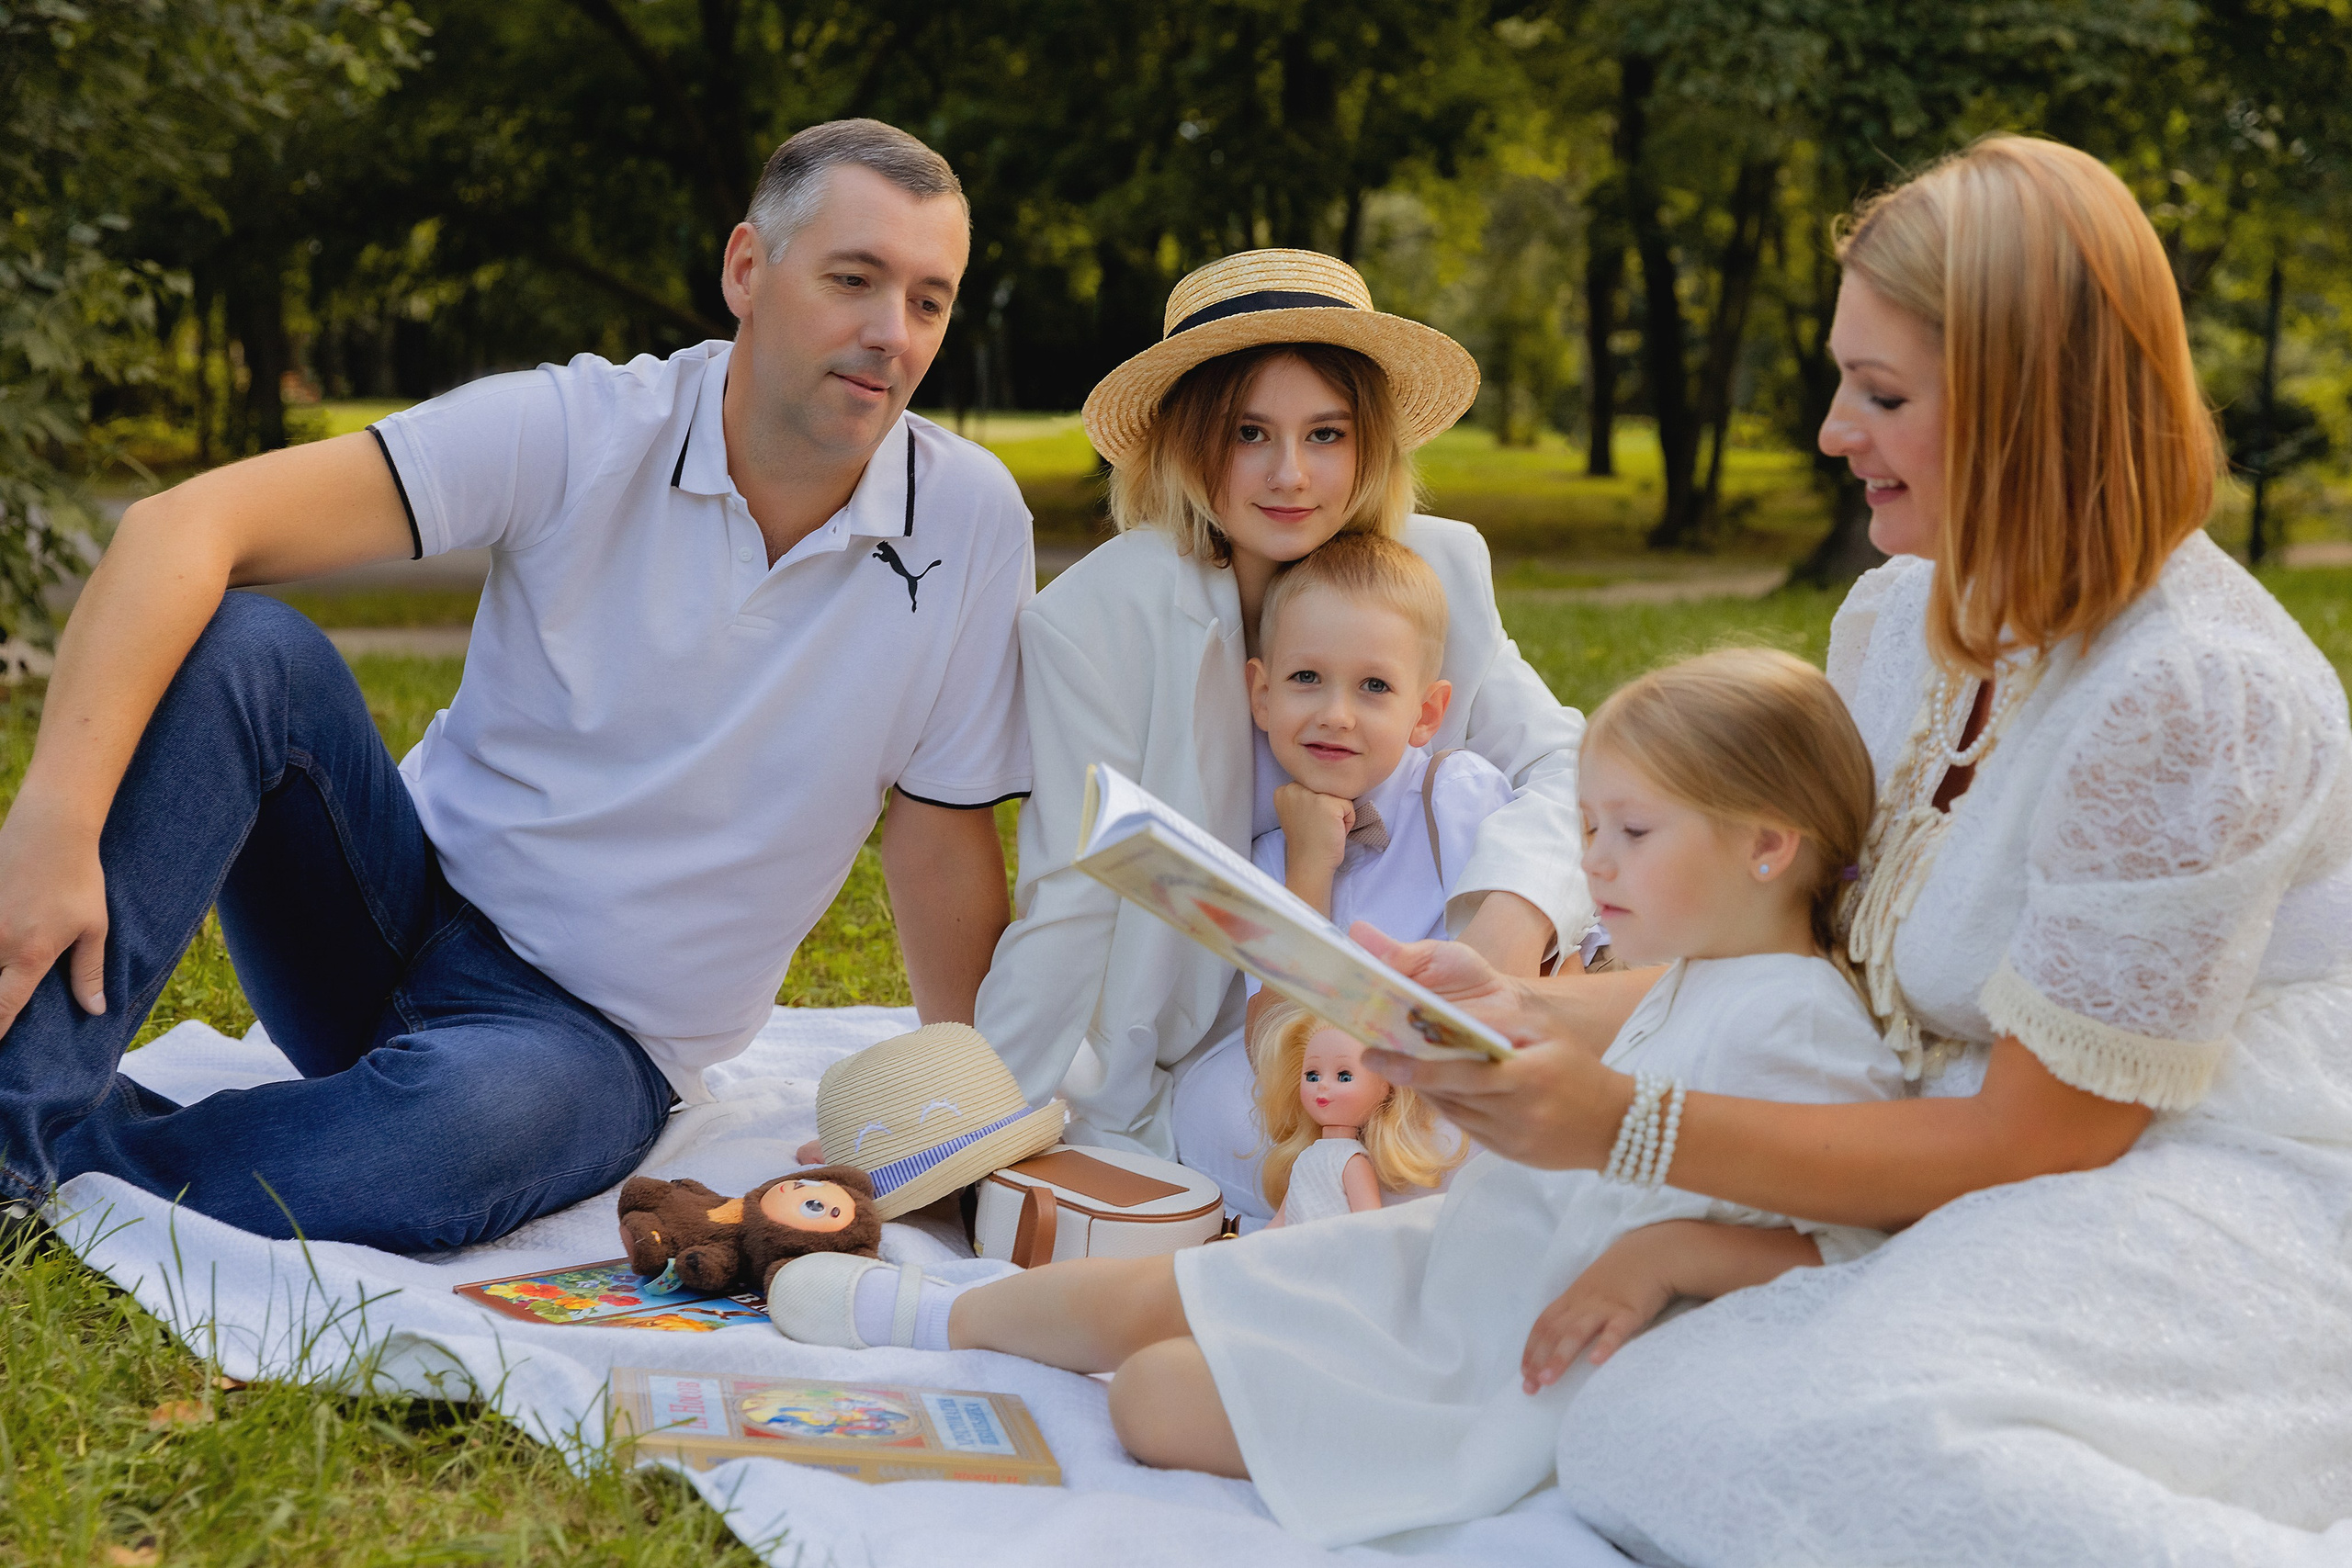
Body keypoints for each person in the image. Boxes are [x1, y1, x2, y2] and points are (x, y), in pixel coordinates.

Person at [1362, 136, 2352, 1563]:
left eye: (1883, 394)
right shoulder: (1897, 620)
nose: (1834, 432)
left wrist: (1628, 1119)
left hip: (2205, 1175)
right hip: (1949, 1135)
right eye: (1844, 381)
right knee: (1639, 1414)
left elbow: (2051, 1134)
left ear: (2032, 411)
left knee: (1866, 1439)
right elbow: (1812, 962)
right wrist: (1515, 1010)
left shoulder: (2191, 695)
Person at [0, 119, 1034, 1251]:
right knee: (246, 648)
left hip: (586, 1043)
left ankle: (83, 1159)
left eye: (928, 301)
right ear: (747, 269)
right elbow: (182, 527)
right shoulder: (584, 427)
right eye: (853, 279)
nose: (890, 333)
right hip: (386, 910)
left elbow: (939, 835)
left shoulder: (971, 520)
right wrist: (55, 825)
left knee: (452, 1142)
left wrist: (955, 1117)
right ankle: (18, 1124)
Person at [760, 648, 1902, 1551]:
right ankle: (937, 1316)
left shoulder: (1803, 1023)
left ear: (1766, 846)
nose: (1595, 864)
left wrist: (1669, 1255)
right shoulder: (1689, 980)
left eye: (1633, 833)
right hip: (1462, 1258)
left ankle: (965, 1321)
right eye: (1590, 828)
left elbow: (1850, 1247)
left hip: (1502, 1347)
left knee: (1154, 1395)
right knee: (1179, 1286)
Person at [972, 248, 1590, 1168]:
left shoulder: (1438, 569)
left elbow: (1567, 766)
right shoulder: (1097, 622)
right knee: (1254, 1136)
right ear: (1187, 442)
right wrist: (979, 1121)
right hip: (1237, 1030)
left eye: (1326, 434)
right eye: (1249, 433)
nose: (1290, 475)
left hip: (1430, 982)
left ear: (1369, 443)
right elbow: (1073, 887)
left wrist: (1514, 916)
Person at [1174, 528, 1504, 1223]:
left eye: (1374, 686)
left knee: (1452, 1136)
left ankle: (1358, 1206)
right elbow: (1270, 1037)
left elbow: (1540, 962)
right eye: (1306, 679)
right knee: (1209, 1109)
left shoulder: (1454, 795)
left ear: (1426, 713)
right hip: (1326, 1091)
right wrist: (1308, 865)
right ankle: (1345, 1202)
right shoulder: (1269, 853)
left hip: (1441, 1085)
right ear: (1262, 694)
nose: (1335, 714)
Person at [1251, 1002, 1458, 1229]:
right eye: (1312, 1075)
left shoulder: (1352, 1161)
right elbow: (1283, 1217)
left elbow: (1369, 1224)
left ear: (1385, 1087)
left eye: (1344, 1076)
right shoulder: (1306, 1157)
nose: (1322, 1085)